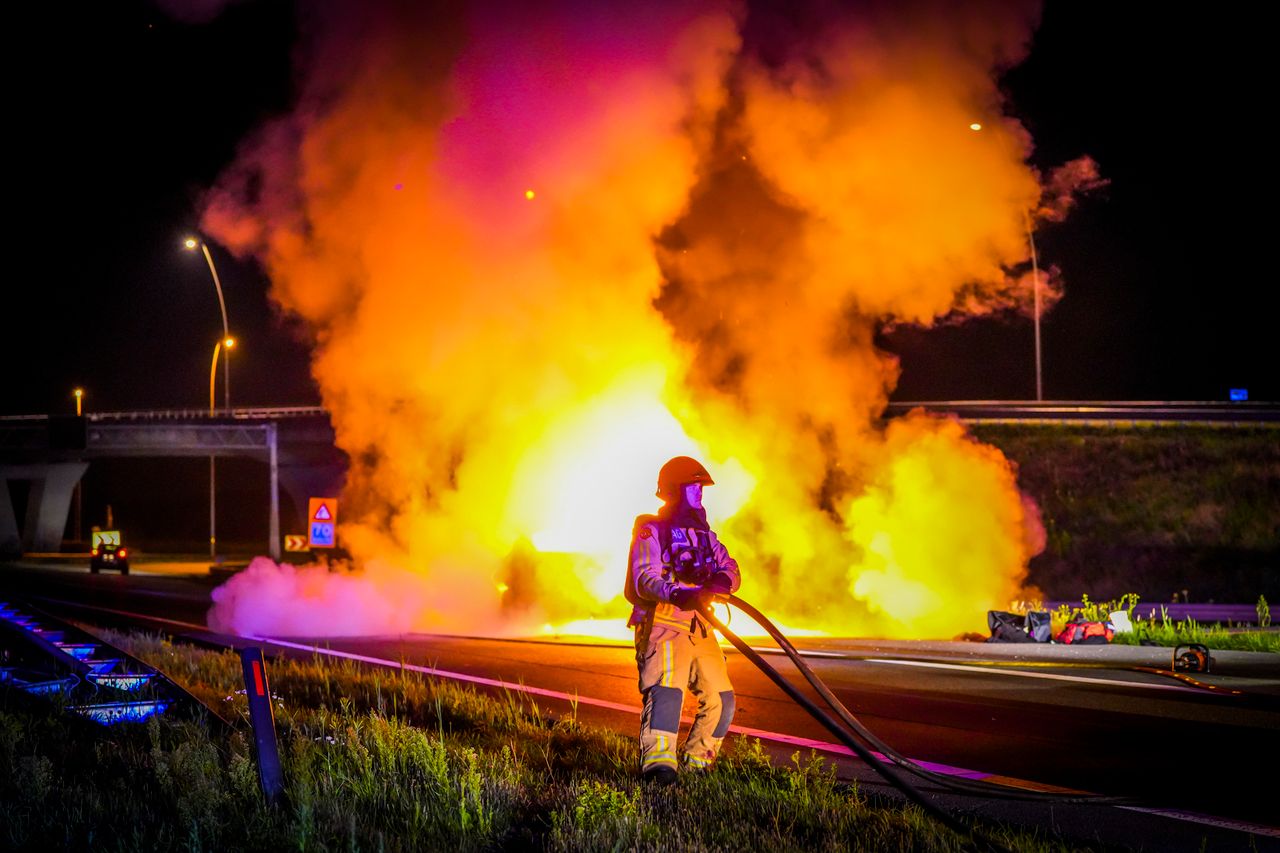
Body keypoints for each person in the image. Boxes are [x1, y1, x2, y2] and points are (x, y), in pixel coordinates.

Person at [624, 455, 741, 785]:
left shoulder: (706, 536)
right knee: (667, 694)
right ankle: (659, 771)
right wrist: (675, 593)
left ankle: (696, 765)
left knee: (722, 699)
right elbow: (643, 576)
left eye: (702, 487)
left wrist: (722, 582)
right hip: (664, 622)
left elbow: (731, 567)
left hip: (700, 625)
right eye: (694, 487)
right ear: (676, 489)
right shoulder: (652, 530)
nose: (701, 493)